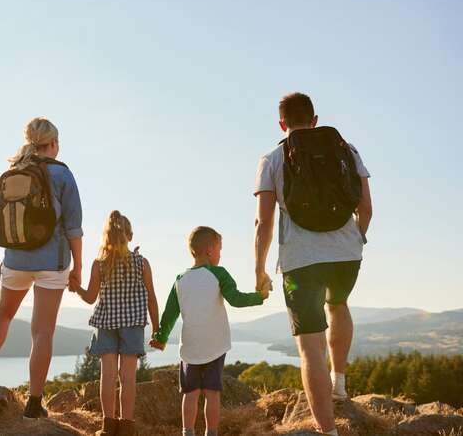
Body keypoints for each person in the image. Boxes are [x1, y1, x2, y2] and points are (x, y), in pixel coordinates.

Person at [253, 92, 373, 435]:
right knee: (338, 305)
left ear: (282, 123)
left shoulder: (273, 159)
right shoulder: (347, 150)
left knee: (309, 348)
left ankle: (327, 431)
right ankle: (340, 383)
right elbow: (365, 208)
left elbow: (264, 223)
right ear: (315, 120)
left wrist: (260, 268)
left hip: (300, 260)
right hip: (347, 255)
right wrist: (357, 239)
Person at [0, 117, 84, 419]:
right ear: (53, 144)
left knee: (4, 313)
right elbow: (74, 228)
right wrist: (77, 267)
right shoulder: (63, 175)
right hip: (52, 262)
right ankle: (34, 404)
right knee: (43, 331)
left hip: (15, 259)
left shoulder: (14, 171)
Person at [151, 226, 268, 436]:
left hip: (190, 347)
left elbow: (169, 314)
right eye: (220, 249)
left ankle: (187, 433)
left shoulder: (180, 279)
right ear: (209, 250)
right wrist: (260, 297)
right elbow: (236, 299)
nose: (221, 254)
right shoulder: (218, 273)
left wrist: (161, 338)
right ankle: (211, 433)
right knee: (212, 393)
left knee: (190, 393)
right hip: (215, 345)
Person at [71, 211, 160, 436]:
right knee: (128, 378)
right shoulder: (142, 263)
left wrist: (76, 288)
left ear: (106, 237)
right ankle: (127, 426)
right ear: (129, 235)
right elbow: (151, 297)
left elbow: (90, 298)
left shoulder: (99, 264)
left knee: (107, 377)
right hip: (133, 324)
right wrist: (157, 329)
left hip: (106, 323)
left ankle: (108, 426)